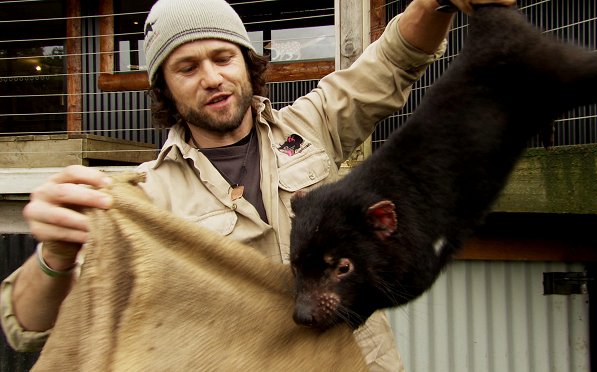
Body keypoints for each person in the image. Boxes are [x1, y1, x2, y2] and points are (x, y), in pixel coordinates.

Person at [1, 0, 515, 370]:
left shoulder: (310, 128)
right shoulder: (146, 200)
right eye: (187, 67)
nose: (211, 77)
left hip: (352, 363)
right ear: (165, 88)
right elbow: (25, 328)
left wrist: (436, 4)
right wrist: (55, 255)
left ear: (247, 63)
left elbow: (392, 63)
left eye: (223, 58)